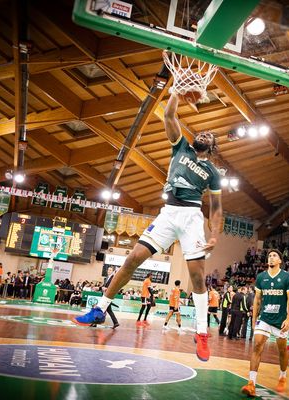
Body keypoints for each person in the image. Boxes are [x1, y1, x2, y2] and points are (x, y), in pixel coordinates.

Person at [73, 89, 223, 362]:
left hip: (191, 218)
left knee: (198, 277)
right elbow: (168, 114)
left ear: (212, 148)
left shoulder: (213, 173)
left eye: (208, 136)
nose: (203, 135)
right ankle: (100, 308)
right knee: (132, 259)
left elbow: (216, 209)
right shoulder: (181, 147)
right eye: (201, 132)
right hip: (168, 214)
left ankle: (201, 333)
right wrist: (177, 93)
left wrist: (214, 235)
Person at [241, 250, 289, 397]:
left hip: (280, 320)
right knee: (257, 346)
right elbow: (257, 300)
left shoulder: (286, 277)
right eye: (269, 256)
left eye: (274, 256)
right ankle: (251, 383)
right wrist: (254, 319)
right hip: (264, 318)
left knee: (282, 351)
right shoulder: (261, 277)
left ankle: (283, 376)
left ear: (280, 261)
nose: (271, 258)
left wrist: (288, 319)